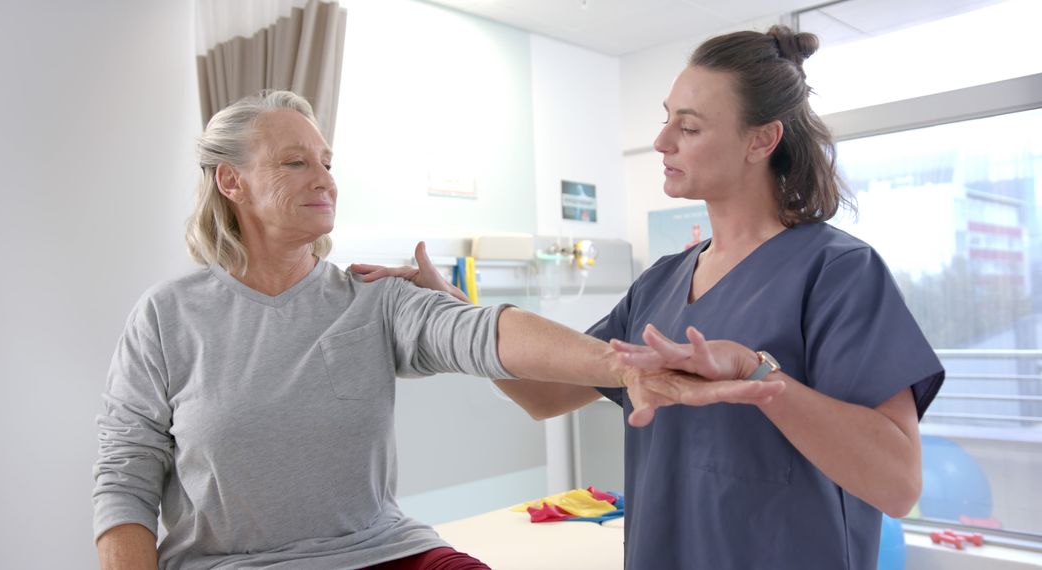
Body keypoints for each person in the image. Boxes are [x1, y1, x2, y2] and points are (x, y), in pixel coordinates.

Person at [91, 90, 782, 570]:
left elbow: (485, 332)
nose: (324, 178)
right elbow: (125, 480)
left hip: (385, 554)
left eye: (327, 161)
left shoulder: (372, 296)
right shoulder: (168, 316)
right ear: (231, 183)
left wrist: (619, 365)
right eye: (295, 162)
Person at [366, 25, 945, 570]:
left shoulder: (837, 271)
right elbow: (542, 393)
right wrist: (446, 303)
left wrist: (759, 378)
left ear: (762, 140)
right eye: (667, 120)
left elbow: (898, 483)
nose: (661, 140)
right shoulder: (662, 282)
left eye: (689, 128)